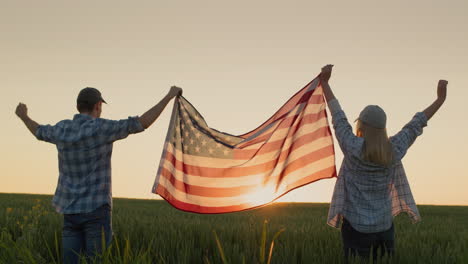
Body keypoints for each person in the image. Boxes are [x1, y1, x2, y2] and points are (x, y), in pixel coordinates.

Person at [15, 85, 182, 263]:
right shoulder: (102, 128)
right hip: (96, 211)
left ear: (78, 106)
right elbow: (142, 123)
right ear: (97, 106)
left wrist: (23, 116)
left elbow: (39, 131)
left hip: (70, 211)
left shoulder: (62, 129)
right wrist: (169, 96)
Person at [320, 65, 447, 260]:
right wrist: (440, 100)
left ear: (360, 125)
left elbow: (337, 115)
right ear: (383, 129)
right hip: (384, 228)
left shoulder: (352, 146)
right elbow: (416, 124)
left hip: (355, 229)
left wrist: (325, 83)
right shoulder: (394, 149)